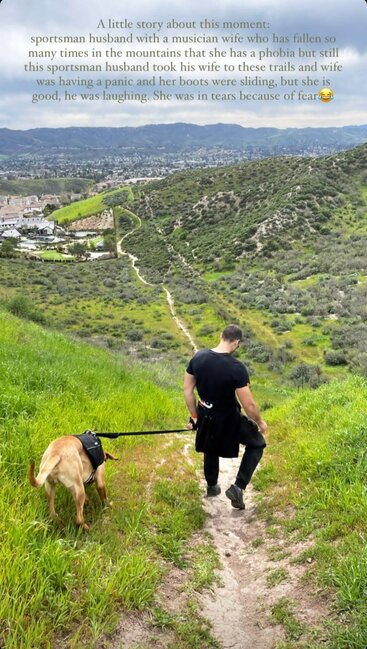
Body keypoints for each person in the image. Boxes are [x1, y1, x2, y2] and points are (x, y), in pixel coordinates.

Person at [184, 324, 267, 510]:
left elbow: (188, 391)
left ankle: (212, 487)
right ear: (237, 343)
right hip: (229, 419)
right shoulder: (237, 368)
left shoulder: (198, 358)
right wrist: (260, 422)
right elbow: (249, 405)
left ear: (221, 336)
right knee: (257, 444)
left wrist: (195, 417)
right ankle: (238, 487)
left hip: (206, 414)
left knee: (209, 445)